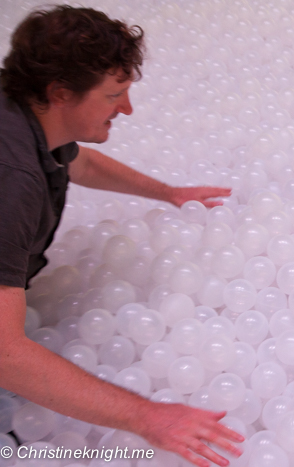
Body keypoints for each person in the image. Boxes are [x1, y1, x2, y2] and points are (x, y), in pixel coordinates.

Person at [0, 6, 241, 467]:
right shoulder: (11, 181)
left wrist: (170, 193)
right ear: (60, 93)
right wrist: (149, 416)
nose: (127, 108)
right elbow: (6, 353)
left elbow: (79, 161)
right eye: (114, 95)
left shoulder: (26, 110)